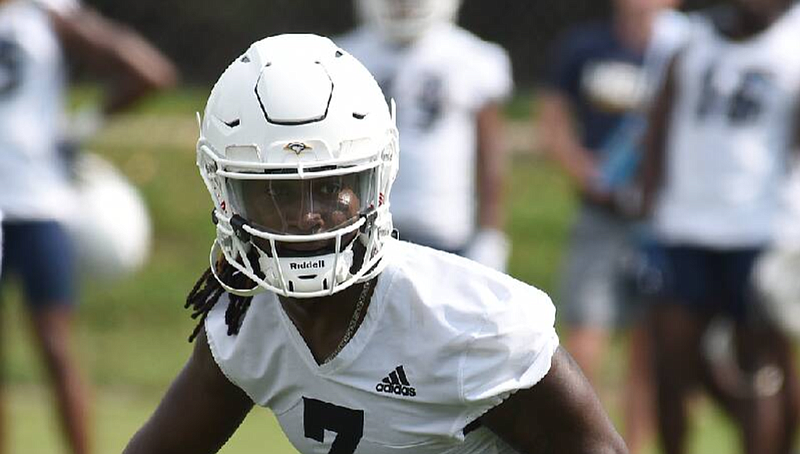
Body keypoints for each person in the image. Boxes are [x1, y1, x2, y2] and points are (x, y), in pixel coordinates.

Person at [122, 34, 627, 454]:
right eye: (277, 192)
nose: (308, 216)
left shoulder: (467, 324)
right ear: (225, 193)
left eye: (329, 185)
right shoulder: (246, 323)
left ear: (379, 180)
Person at [0, 1, 178, 453]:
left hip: (39, 202)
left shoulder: (44, 14)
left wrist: (81, 126)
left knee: (56, 347)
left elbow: (150, 72)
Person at [640, 1, 800, 453]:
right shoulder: (689, 40)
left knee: (760, 367)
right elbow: (659, 122)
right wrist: (648, 202)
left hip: (762, 230)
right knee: (671, 362)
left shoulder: (793, 45)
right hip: (683, 225)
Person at [537, 1, 682, 452]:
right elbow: (552, 121)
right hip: (599, 217)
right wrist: (586, 173)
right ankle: (582, 442)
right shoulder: (583, 46)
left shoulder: (687, 48)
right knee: (585, 339)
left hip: (663, 220)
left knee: (650, 351)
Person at [336, 0, 512, 271]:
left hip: (446, 230)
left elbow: (490, 153)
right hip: (363, 232)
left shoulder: (474, 58)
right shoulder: (340, 57)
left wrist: (490, 232)